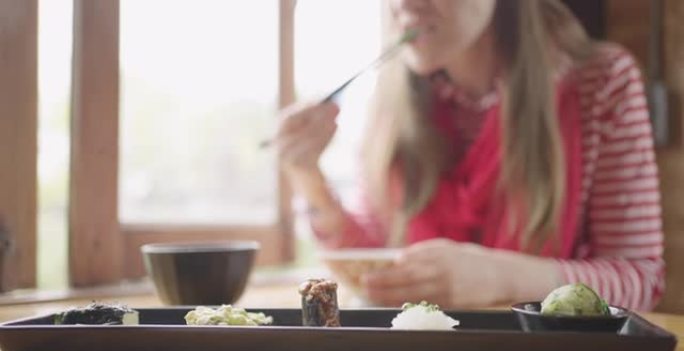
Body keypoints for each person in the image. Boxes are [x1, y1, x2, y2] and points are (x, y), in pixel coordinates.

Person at [275, 0, 664, 311]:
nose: (404, 4)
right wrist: (308, 175)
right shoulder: (391, 104)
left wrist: (502, 278)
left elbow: (640, 281)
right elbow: (378, 263)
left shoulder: (603, 81)